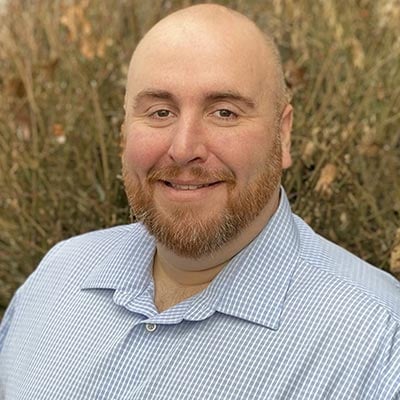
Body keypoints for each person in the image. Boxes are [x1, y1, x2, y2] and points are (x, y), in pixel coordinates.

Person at [0, 4, 399, 399]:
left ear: (284, 135)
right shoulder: (57, 279)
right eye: (160, 112)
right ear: (124, 132)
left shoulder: (379, 343)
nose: (183, 147)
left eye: (224, 112)